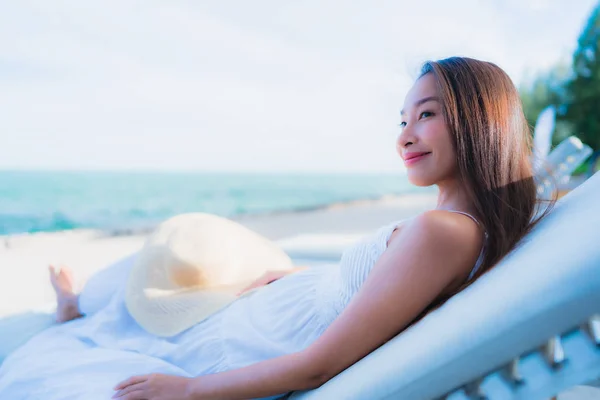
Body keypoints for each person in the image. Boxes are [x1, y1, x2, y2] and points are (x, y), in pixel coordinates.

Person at [0, 57, 546, 400]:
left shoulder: (444, 232)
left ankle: (76, 308)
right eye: (402, 120)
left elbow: (318, 365)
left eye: (426, 115)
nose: (405, 136)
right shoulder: (452, 227)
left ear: (480, 119)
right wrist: (288, 277)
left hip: (252, 342)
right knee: (177, 252)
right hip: (278, 300)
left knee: (158, 266)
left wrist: (188, 390)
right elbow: (376, 290)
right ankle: (79, 307)